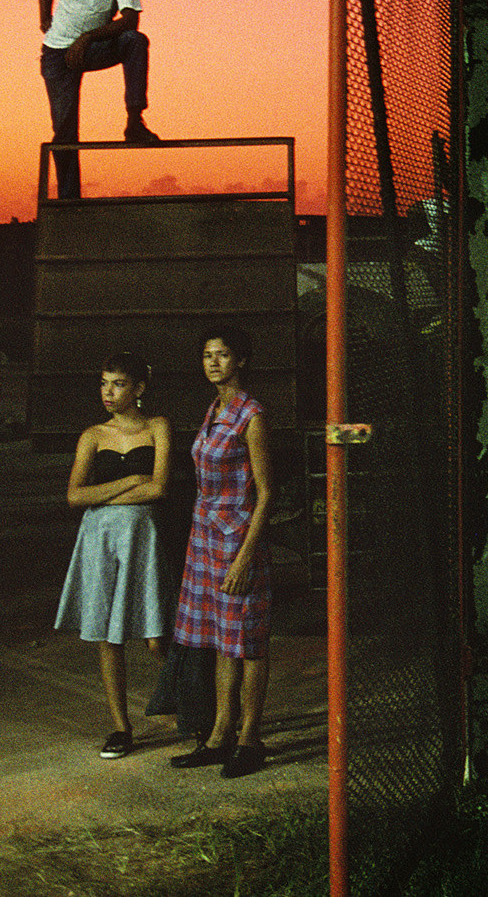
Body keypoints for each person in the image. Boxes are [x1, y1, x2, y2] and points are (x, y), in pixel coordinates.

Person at [55, 352, 172, 758]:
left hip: (144, 536)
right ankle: (121, 728)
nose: (108, 392)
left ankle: (194, 705)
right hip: (99, 539)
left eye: (118, 383)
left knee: (157, 637)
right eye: (104, 383)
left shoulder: (158, 427)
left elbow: (159, 489)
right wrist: (133, 479)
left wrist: (110, 494)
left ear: (138, 388)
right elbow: (75, 495)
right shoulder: (92, 435)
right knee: (109, 634)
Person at [170, 326, 275, 778]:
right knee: (220, 641)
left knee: (248, 642)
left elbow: (267, 493)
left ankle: (251, 739)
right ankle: (219, 735)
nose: (214, 362)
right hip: (205, 538)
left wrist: (246, 556)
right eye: (208, 355)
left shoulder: (250, 414)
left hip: (237, 539)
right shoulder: (214, 409)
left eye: (224, 354)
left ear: (242, 361)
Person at [37, 0, 159, 199]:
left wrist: (88, 38)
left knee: (135, 40)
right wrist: (44, 16)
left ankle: (134, 122)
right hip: (58, 54)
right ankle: (70, 201)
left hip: (93, 48)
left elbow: (131, 18)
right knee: (64, 133)